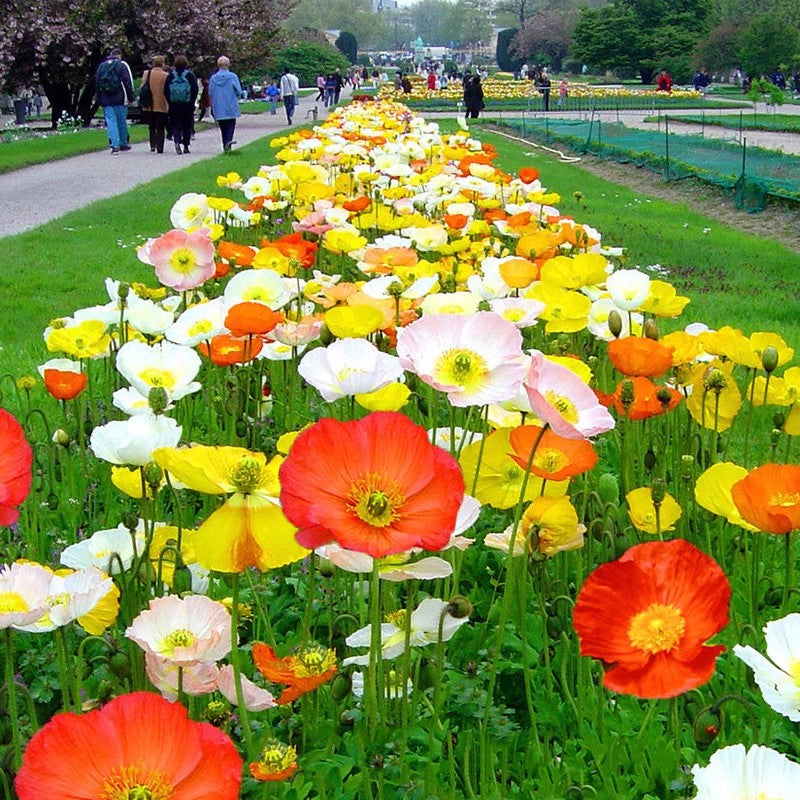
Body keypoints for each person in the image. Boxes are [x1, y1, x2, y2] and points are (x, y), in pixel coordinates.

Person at [95, 48, 135, 154]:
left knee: (111, 121)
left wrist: (99, 98)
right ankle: (123, 143)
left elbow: (97, 83)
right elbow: (127, 82)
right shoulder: (121, 66)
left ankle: (114, 144)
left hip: (106, 98)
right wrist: (131, 97)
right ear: (119, 56)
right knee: (121, 120)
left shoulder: (101, 66)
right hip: (119, 97)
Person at [208, 55, 245, 152]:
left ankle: (225, 144)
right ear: (228, 65)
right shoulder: (232, 76)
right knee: (230, 125)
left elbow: (210, 93)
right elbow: (239, 91)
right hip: (230, 105)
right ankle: (228, 142)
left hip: (219, 106)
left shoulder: (213, 78)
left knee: (222, 127)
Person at [165, 54, 199, 155]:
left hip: (174, 105)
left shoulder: (171, 75)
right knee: (187, 124)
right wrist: (192, 101)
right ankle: (186, 146)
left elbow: (166, 90)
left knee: (175, 124)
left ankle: (176, 140)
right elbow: (195, 89)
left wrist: (170, 101)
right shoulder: (189, 75)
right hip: (187, 105)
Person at [143, 55, 169, 153]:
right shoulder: (165, 75)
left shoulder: (147, 73)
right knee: (160, 126)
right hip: (162, 104)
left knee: (151, 126)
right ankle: (160, 147)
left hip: (149, 103)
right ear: (162, 64)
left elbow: (142, 87)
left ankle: (152, 145)